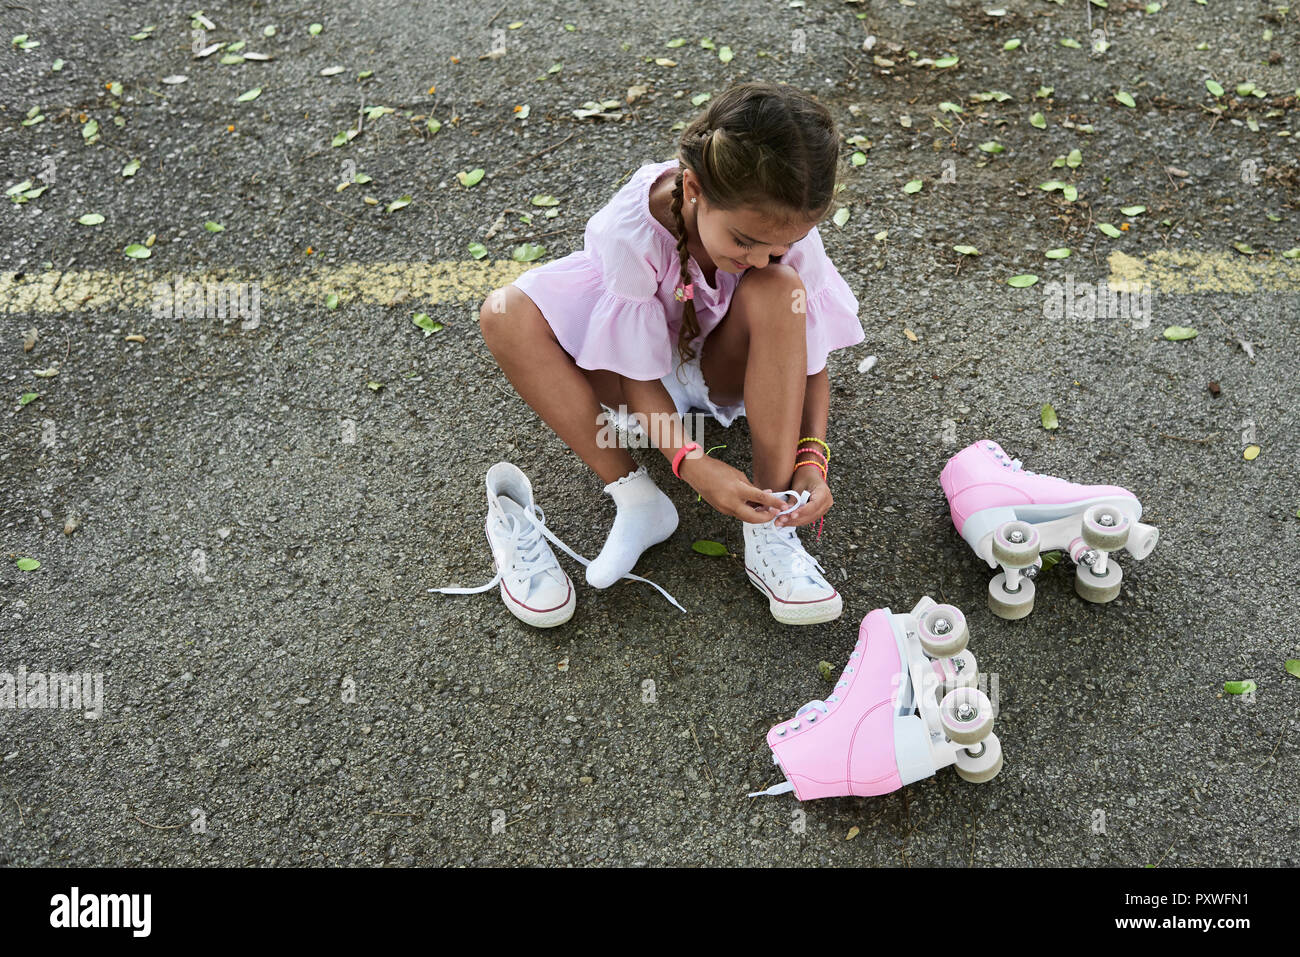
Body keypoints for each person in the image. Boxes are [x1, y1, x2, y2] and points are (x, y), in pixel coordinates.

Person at [476, 81, 864, 626]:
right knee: (503, 312)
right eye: (744, 242)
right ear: (694, 187)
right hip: (634, 385)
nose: (759, 258)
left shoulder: (784, 231)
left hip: (728, 368)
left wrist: (811, 458)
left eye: (776, 247)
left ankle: (769, 522)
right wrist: (694, 466)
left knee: (781, 289)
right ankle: (637, 497)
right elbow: (636, 374)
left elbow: (812, 359)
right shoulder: (629, 229)